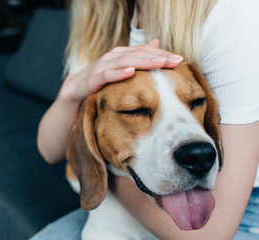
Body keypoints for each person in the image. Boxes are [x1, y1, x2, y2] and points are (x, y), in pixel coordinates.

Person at [35, 0, 259, 239]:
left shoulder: (234, 12)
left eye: (195, 102)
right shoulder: (100, 22)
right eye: (137, 110)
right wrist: (72, 91)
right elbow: (49, 151)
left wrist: (101, 177)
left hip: (238, 208)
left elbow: (210, 235)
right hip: (123, 193)